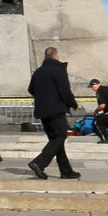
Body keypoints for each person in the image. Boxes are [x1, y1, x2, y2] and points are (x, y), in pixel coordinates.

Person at [26, 46, 80, 180]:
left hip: (42, 111)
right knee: (60, 137)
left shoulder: (38, 72)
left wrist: (43, 97)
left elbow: (31, 89)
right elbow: (65, 91)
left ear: (45, 57)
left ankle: (66, 171)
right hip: (56, 110)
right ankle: (39, 162)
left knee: (56, 140)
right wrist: (73, 103)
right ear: (57, 57)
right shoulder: (58, 70)